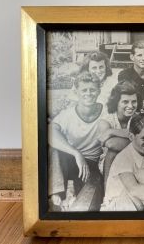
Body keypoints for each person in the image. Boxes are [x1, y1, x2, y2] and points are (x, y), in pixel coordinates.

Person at [48, 72, 108, 211]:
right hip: (68, 161)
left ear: (99, 91)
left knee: (89, 200)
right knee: (55, 149)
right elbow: (51, 131)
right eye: (84, 90)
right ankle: (56, 195)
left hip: (91, 164)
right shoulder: (68, 114)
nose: (88, 93)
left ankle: (72, 200)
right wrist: (76, 154)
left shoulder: (106, 112)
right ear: (76, 92)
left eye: (92, 90)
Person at [98, 81, 143, 198]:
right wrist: (134, 139)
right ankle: (107, 193)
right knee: (113, 152)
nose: (131, 106)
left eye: (134, 101)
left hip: (135, 161)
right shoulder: (107, 120)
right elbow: (110, 143)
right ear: (116, 103)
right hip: (110, 163)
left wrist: (112, 131)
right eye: (125, 102)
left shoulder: (138, 117)